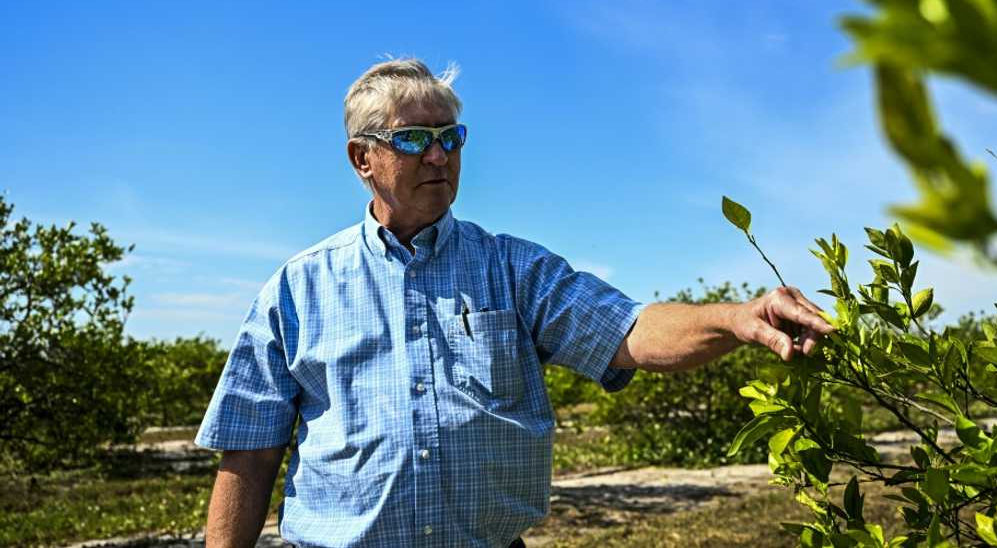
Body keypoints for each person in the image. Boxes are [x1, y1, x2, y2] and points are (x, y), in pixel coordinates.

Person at [196, 58, 834, 548]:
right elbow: (249, 455)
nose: (440, 154)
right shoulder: (298, 287)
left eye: (452, 137)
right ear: (362, 158)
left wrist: (735, 317)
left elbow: (629, 329)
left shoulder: (513, 268)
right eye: (415, 139)